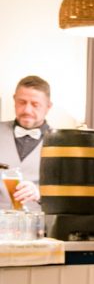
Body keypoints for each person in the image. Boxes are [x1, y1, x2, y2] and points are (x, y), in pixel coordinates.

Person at [0, 75, 49, 208]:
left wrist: (39, 193)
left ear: (48, 106)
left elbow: (68, 192)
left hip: (40, 220)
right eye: (22, 102)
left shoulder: (62, 143)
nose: (27, 110)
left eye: (35, 104)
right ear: (14, 100)